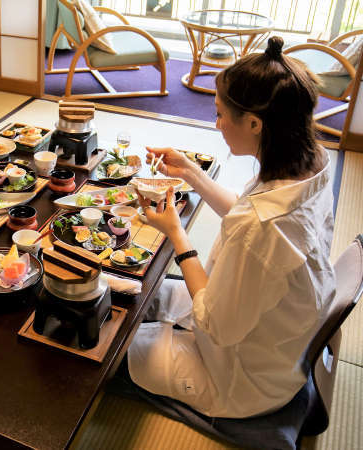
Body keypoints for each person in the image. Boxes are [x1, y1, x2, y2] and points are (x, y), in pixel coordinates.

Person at [123, 36, 336, 422]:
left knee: (106, 347)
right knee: (130, 292)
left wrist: (178, 236)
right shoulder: (310, 165)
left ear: (254, 123)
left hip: (241, 375)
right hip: (267, 328)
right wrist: (192, 173)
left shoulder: (264, 227)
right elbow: (247, 211)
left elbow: (216, 325)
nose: (217, 124)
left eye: (221, 114)